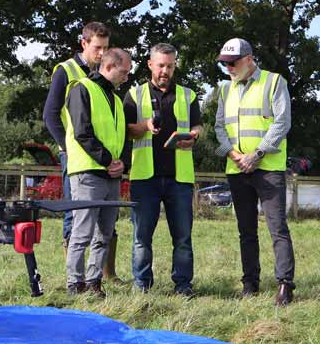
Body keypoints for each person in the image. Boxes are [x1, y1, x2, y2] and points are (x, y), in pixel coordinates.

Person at [213, 38, 295, 306]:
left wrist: (257, 154)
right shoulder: (225, 89)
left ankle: (285, 284)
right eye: (224, 64)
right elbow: (218, 127)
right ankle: (250, 284)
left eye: (233, 63)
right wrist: (233, 154)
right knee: (245, 230)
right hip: (237, 168)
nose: (228, 68)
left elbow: (282, 123)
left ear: (249, 59)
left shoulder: (273, 82)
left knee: (277, 228)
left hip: (268, 168)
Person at [42, 22, 123, 282]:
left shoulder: (106, 83)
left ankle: (101, 274)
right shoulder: (67, 71)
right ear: (84, 44)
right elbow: (50, 114)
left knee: (105, 223)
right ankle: (74, 278)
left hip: (103, 161)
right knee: (77, 219)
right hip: (79, 156)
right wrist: (66, 146)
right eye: (97, 48)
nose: (101, 53)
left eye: (106, 48)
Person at [123, 43, 202, 297]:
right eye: (160, 65)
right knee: (141, 237)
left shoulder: (188, 95)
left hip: (179, 177)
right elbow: (126, 130)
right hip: (145, 177)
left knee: (182, 238)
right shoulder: (134, 95)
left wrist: (194, 137)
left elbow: (198, 126)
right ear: (149, 64)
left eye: (169, 65)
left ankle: (183, 286)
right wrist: (144, 125)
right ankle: (142, 286)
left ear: (175, 65)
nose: (165, 70)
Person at [61, 48, 130, 297]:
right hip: (88, 171)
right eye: (124, 71)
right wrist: (107, 160)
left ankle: (94, 282)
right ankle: (75, 284)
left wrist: (122, 162)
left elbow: (121, 136)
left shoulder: (115, 98)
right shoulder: (81, 88)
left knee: (105, 232)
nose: (127, 77)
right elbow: (82, 131)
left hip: (111, 174)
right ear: (110, 67)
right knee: (82, 231)